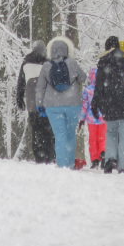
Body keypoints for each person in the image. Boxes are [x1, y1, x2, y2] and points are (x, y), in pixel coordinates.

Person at [90, 35, 124, 173]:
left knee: (111, 133)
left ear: (106, 48)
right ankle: (123, 166)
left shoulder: (102, 63)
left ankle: (110, 159)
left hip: (109, 106)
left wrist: (94, 104)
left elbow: (99, 85)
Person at [35, 35, 84, 169]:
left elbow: (40, 87)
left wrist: (39, 104)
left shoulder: (46, 66)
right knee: (70, 134)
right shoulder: (72, 63)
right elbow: (83, 77)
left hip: (52, 105)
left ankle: (62, 165)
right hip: (73, 104)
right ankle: (69, 164)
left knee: (59, 134)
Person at [15, 39, 55, 164]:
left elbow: (21, 82)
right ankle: (49, 155)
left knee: (36, 130)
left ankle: (39, 156)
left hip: (32, 101)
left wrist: (19, 97)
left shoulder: (26, 62)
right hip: (47, 101)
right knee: (48, 129)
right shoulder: (48, 62)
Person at [80, 63, 106, 168]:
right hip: (103, 118)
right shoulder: (104, 88)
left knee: (92, 139)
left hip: (91, 119)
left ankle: (95, 159)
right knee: (102, 138)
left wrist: (82, 119)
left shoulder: (87, 90)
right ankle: (103, 153)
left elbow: (84, 106)